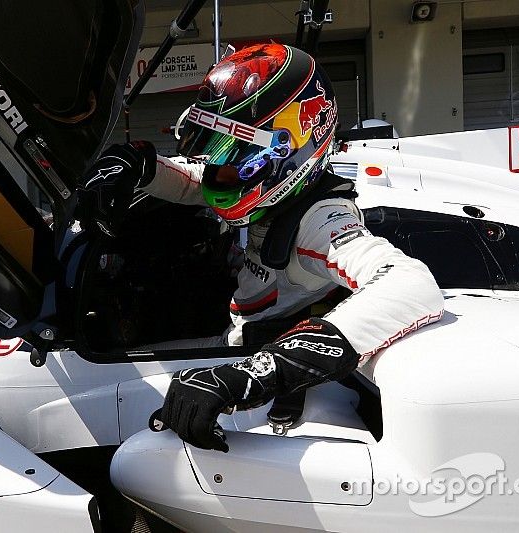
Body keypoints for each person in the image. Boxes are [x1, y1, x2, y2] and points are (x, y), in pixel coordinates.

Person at [76, 44, 444, 452]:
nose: (217, 169)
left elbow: (411, 284)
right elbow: (195, 178)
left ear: (286, 149)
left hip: (255, 359)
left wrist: (265, 371)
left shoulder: (320, 220)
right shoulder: (268, 188)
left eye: (230, 153)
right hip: (234, 337)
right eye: (215, 148)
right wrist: (131, 163)